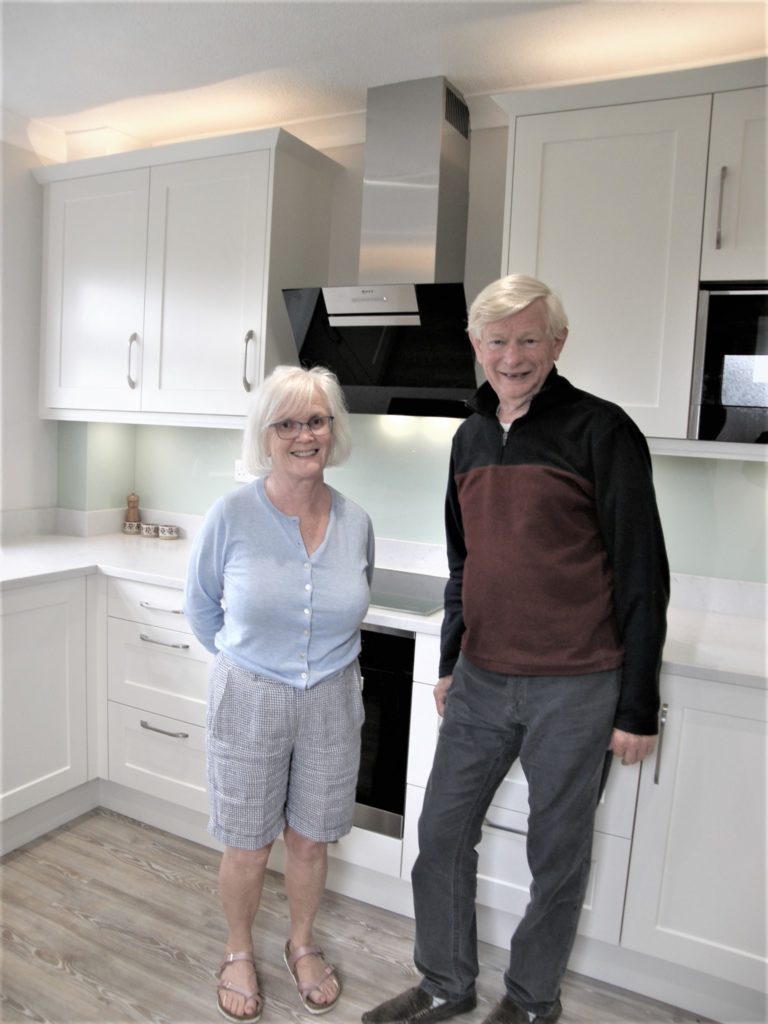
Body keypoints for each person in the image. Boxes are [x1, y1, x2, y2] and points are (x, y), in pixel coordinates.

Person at [362, 275, 669, 1024]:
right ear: (475, 347)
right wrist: (448, 660)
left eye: (529, 338)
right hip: (482, 680)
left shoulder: (603, 430)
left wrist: (636, 707)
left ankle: (532, 1002)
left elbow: (641, 573)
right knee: (439, 838)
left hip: (578, 686)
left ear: (557, 344)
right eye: (497, 340)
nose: (513, 355)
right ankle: (445, 983)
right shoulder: (467, 436)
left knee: (555, 856)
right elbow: (463, 562)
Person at [185, 364, 374, 1023]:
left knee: (311, 839)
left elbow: (352, 601)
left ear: (333, 430)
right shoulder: (232, 515)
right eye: (286, 422)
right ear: (265, 436)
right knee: (246, 841)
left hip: (331, 697)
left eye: (315, 420)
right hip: (252, 694)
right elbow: (202, 608)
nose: (303, 434)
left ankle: (301, 942)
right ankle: (238, 949)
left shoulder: (355, 522)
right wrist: (250, 667)